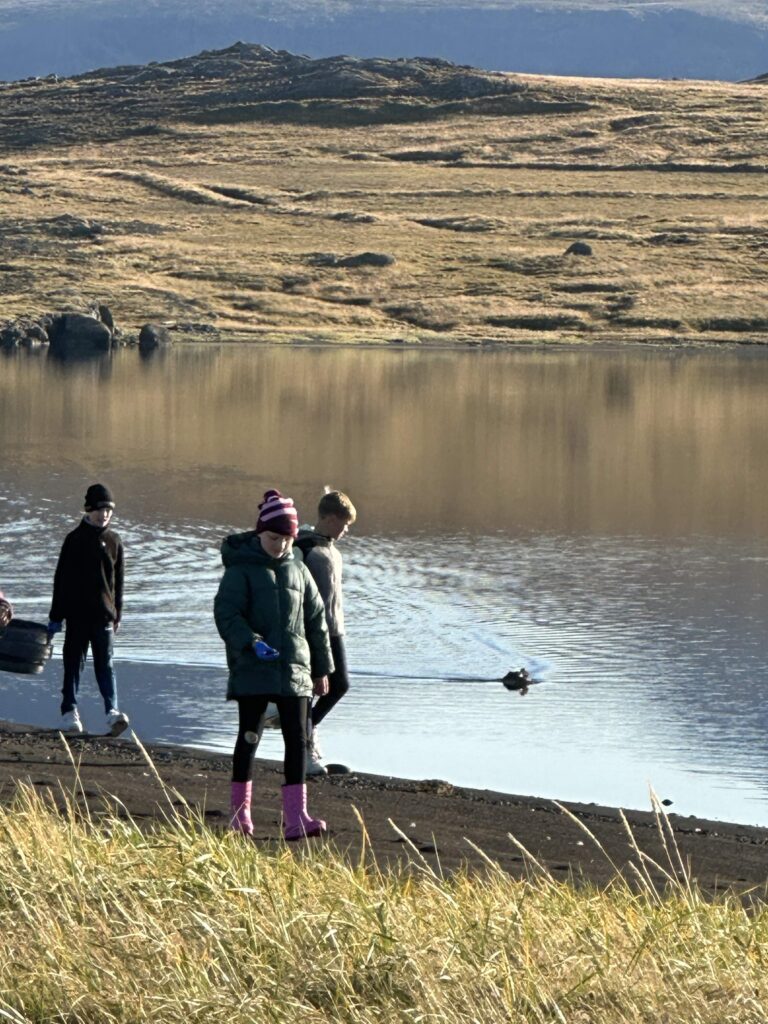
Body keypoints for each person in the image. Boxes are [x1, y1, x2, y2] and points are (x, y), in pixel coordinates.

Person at [213, 488, 334, 841]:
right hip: (253, 668)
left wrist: (322, 668)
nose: (280, 544)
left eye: (286, 538)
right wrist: (250, 641)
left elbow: (316, 621)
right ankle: (240, 816)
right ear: (259, 532)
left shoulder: (299, 570)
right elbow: (226, 614)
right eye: (273, 537)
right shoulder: (240, 570)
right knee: (249, 737)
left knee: (298, 739)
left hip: (295, 670)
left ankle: (297, 817)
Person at [48, 483, 129, 736]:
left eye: (109, 510)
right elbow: (60, 580)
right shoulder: (74, 539)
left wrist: (118, 613)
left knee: (105, 666)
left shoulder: (114, 541)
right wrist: (55, 617)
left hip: (104, 616)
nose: (104, 514)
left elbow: (119, 582)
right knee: (73, 664)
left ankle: (112, 713)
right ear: (88, 509)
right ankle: (69, 713)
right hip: (77, 616)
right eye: (100, 509)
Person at [295, 488, 357, 775]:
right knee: (314, 689)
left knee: (340, 685)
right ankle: (304, 746)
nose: (346, 530)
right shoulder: (306, 549)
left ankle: (307, 731)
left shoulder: (330, 549)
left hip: (335, 630)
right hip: (312, 631)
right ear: (330, 517)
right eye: (344, 523)